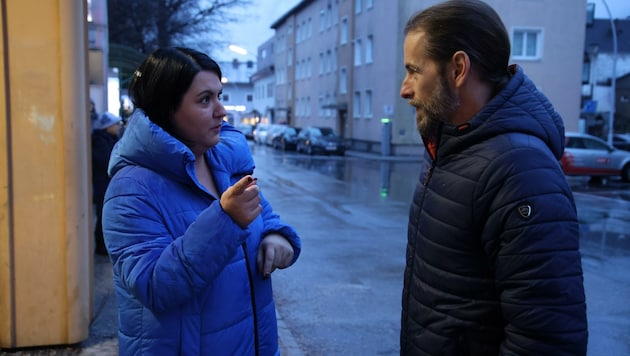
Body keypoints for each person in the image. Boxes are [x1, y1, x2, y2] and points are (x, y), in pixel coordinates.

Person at [398, 1, 587, 355]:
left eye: (414, 71)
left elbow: (545, 339)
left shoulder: (521, 171)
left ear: (458, 68)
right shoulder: (449, 144)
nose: (404, 89)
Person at [101, 47, 301, 355]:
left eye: (219, 95)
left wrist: (277, 237)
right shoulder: (130, 189)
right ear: (166, 108)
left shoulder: (221, 161)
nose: (221, 110)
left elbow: (265, 216)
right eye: (205, 100)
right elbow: (155, 286)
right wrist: (226, 220)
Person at [91, 111, 123, 255]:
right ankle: (101, 247)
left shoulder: (108, 139)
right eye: (116, 124)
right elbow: (106, 161)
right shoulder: (100, 141)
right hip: (103, 184)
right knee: (103, 215)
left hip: (107, 184)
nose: (118, 126)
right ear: (107, 126)